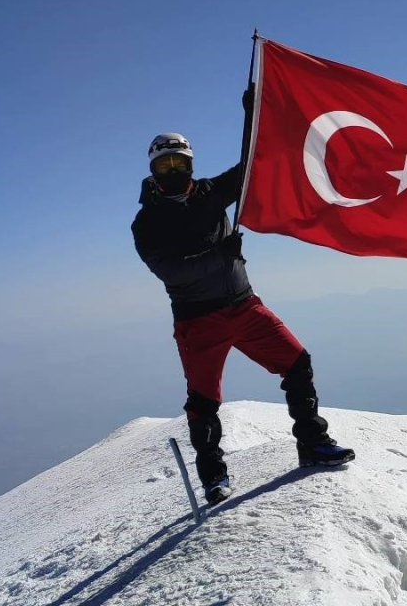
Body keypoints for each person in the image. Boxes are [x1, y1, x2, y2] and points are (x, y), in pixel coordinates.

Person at [131, 132, 354, 505]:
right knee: (203, 402)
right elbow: (171, 271)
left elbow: (249, 168)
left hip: (245, 305)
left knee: (297, 362)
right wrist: (221, 257)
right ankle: (214, 478)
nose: (172, 171)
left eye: (179, 163)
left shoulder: (209, 194)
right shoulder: (148, 222)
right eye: (164, 165)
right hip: (199, 320)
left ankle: (313, 443)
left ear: (191, 164)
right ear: (152, 171)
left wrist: (257, 118)